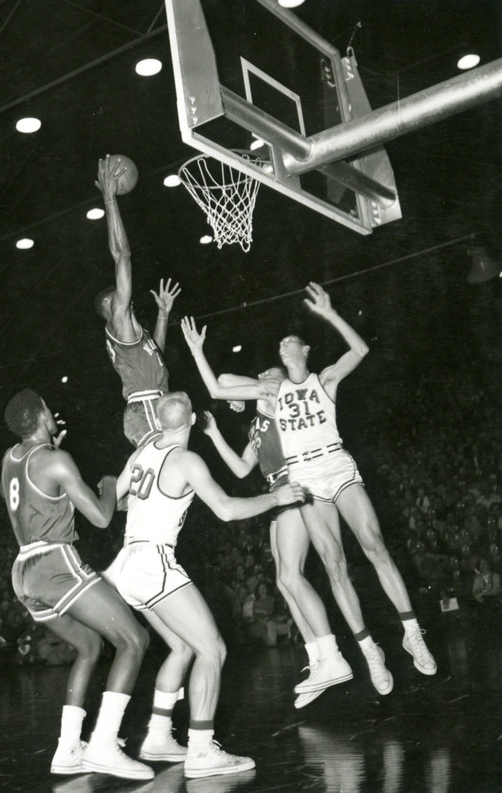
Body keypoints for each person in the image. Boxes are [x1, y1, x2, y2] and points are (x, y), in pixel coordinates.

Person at [182, 282, 436, 695]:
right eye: (279, 345)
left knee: (374, 545)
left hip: (336, 464)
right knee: (334, 563)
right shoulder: (273, 391)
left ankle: (412, 633)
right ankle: (370, 650)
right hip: (304, 477)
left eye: (289, 342)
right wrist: (196, 350)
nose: (282, 346)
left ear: (304, 351)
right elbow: (217, 388)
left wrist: (330, 314)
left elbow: (360, 351)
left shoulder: (325, 380)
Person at [104, 391, 305, 778]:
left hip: (127, 564)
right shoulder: (187, 460)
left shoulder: (141, 453)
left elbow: (113, 501)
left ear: (160, 423)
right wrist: (275, 496)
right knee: (212, 648)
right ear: (193, 420)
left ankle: (158, 737)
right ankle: (200, 749)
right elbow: (227, 510)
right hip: (154, 562)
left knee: (182, 648)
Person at [0, 388, 152, 780]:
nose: (54, 411)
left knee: (89, 645)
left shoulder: (10, 459)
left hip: (22, 570)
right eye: (48, 408)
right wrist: (105, 483)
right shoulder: (56, 461)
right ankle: (104, 744)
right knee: (134, 640)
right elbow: (102, 517)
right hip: (55, 563)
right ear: (40, 416)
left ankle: (68, 748)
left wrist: (60, 473)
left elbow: (36, 500)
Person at [200, 407, 352, 708]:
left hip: (294, 483)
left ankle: (332, 655)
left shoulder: (275, 404)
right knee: (284, 582)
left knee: (292, 576)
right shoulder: (256, 426)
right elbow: (243, 468)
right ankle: (318, 659)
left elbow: (234, 385)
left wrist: (232, 394)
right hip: (278, 490)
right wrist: (213, 432)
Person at [94, 154, 181, 447]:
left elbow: (156, 353)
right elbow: (122, 255)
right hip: (146, 407)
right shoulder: (118, 319)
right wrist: (109, 200)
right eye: (119, 295)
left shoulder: (130, 334)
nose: (125, 295)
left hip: (151, 401)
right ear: (110, 305)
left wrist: (163, 314)